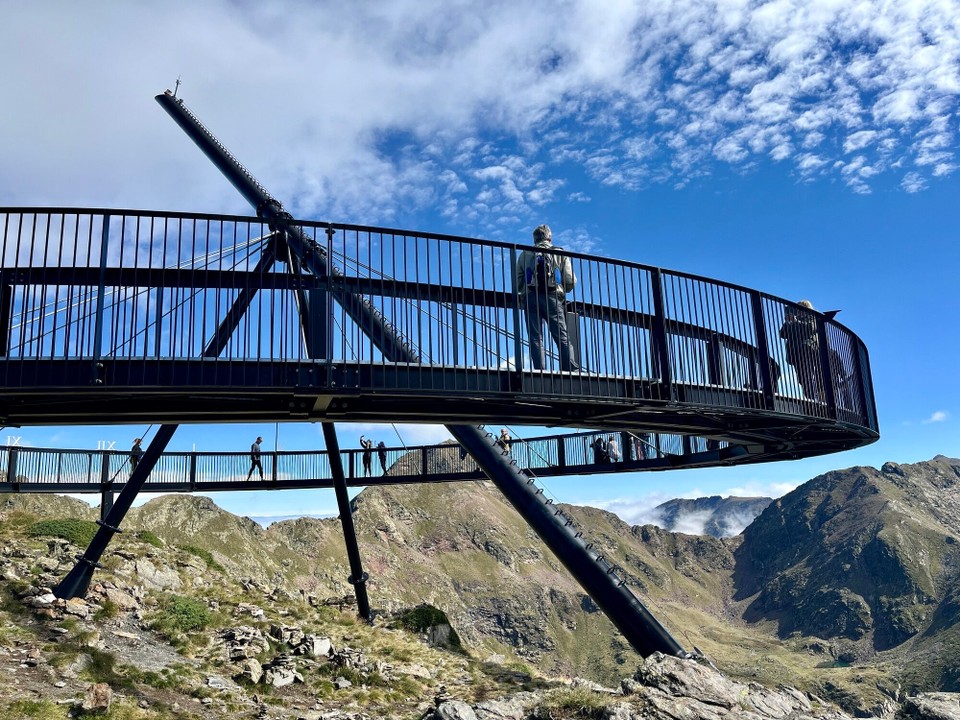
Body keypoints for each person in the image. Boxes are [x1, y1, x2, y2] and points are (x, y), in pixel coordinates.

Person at [515, 224, 579, 371]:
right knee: (561, 335)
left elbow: (518, 282)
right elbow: (569, 281)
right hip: (553, 297)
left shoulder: (525, 254)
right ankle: (570, 369)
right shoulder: (559, 253)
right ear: (549, 237)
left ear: (534, 239)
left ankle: (540, 371)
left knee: (535, 337)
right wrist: (563, 290)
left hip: (531, 298)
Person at [779, 300, 823, 401]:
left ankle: (813, 399)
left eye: (800, 308)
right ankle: (810, 398)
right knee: (802, 379)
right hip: (795, 353)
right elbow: (782, 334)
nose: (797, 311)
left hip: (807, 351)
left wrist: (795, 321)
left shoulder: (812, 317)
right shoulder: (794, 320)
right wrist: (788, 322)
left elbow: (810, 328)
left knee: (807, 376)